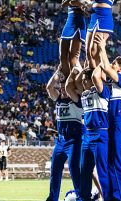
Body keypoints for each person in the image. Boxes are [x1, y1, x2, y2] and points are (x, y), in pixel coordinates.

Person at [93, 38, 121, 201]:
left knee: (118, 160)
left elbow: (105, 68)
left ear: (120, 69)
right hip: (112, 123)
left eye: (114, 64)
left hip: (119, 122)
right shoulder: (113, 87)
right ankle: (112, 196)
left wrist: (102, 48)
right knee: (110, 161)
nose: (112, 65)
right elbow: (100, 72)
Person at [67, 65, 110, 201]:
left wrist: (95, 64)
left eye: (87, 79)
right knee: (84, 171)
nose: (84, 81)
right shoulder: (85, 94)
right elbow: (74, 84)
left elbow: (95, 77)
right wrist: (82, 71)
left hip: (100, 133)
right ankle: (84, 198)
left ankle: (107, 197)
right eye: (84, 79)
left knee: (102, 170)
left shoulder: (103, 91)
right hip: (88, 135)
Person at [46, 69, 82, 201]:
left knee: (75, 170)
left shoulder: (76, 100)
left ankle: (81, 197)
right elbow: (49, 87)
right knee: (54, 170)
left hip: (75, 140)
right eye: (60, 88)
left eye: (64, 88)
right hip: (61, 140)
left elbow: (72, 89)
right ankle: (53, 198)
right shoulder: (59, 99)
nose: (62, 90)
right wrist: (58, 72)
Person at [84, 0, 118, 69]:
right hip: (95, 17)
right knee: (88, 52)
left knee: (94, 53)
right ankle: (93, 77)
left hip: (103, 19)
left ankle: (98, 80)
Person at [59, 0, 86, 78]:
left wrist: (76, 1)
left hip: (79, 23)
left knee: (73, 57)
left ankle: (78, 80)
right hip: (69, 22)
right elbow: (63, 4)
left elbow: (83, 5)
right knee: (62, 57)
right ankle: (67, 80)